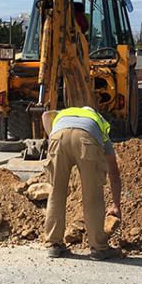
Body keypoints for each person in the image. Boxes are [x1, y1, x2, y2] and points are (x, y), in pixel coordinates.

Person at [40, 106, 122, 260]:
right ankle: (99, 248)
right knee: (92, 196)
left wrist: (51, 136)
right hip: (86, 139)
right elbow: (114, 172)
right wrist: (116, 205)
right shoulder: (100, 125)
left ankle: (53, 245)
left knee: (56, 193)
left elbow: (45, 115)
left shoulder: (63, 114)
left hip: (58, 138)